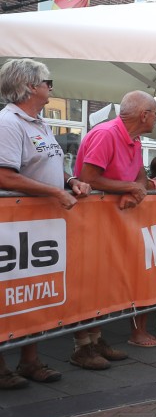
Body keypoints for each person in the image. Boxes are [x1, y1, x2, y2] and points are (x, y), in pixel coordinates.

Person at [0, 58, 91, 387]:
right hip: (14, 226)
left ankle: (30, 360)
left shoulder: (39, 122)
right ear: (28, 86)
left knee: (36, 292)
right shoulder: (9, 123)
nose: (51, 87)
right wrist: (54, 191)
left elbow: (50, 165)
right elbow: (4, 174)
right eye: (47, 82)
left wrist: (70, 182)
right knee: (8, 292)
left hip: (42, 225)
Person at [74, 90, 156, 352]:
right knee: (90, 281)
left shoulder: (133, 139)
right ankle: (82, 345)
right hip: (90, 221)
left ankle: (96, 339)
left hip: (111, 222)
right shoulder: (107, 134)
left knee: (105, 281)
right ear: (144, 115)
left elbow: (140, 175)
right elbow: (88, 178)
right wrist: (130, 189)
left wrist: (136, 191)